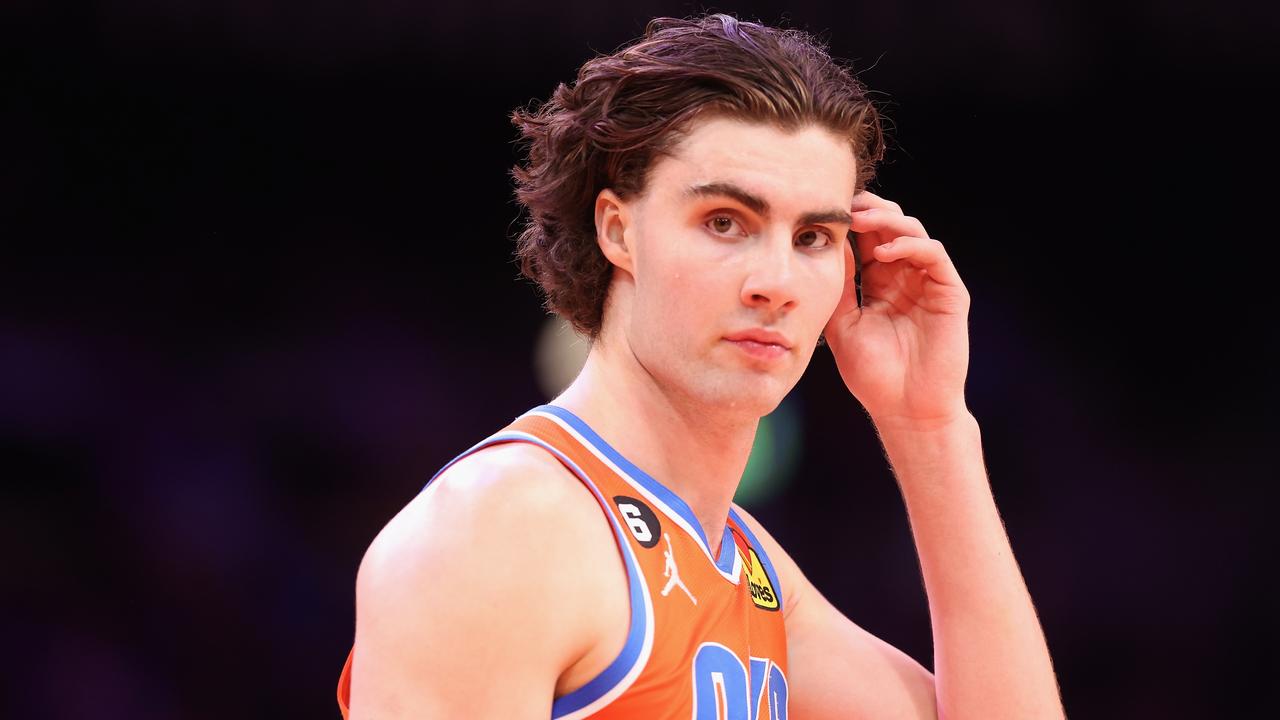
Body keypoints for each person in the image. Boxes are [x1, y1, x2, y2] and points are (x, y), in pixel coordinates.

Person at [336, 13, 1064, 719]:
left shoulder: (741, 560)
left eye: (812, 237)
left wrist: (929, 423)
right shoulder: (505, 529)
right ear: (618, 231)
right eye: (725, 222)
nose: (774, 281)